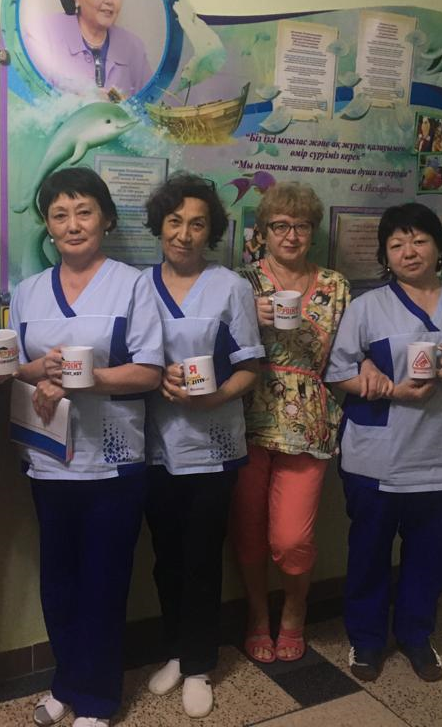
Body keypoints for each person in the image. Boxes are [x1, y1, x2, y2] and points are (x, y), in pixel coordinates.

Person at [325, 202, 442, 684]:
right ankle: (367, 640)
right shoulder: (367, 307)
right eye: (396, 244)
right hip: (378, 456)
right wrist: (385, 386)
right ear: (385, 256)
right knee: (368, 550)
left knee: (429, 553)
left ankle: (416, 635)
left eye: (419, 240)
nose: (409, 251)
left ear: (438, 247)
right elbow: (337, 372)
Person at [9, 167, 164, 727]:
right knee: (58, 581)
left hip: (113, 461)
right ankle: (65, 682)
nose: (72, 224)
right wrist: (42, 368)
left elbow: (149, 372)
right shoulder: (27, 292)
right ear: (48, 226)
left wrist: (85, 379)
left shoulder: (133, 285)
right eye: (59, 214)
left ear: (106, 219)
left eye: (84, 212)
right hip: (49, 459)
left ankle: (97, 699)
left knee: (103, 580)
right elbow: (15, 368)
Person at [139, 175, 264, 717]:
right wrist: (154, 380)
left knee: (201, 557)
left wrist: (215, 398)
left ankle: (199, 664)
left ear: (210, 231)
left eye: (197, 224)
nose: (184, 234)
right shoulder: (139, 286)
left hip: (213, 446)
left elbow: (250, 367)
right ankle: (174, 649)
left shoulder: (230, 287)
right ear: (159, 226)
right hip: (153, 445)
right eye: (174, 222)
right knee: (165, 557)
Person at [232, 182, 351, 664]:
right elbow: (217, 345)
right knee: (248, 532)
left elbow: (343, 356)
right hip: (245, 416)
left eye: (301, 226)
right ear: (262, 232)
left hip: (308, 422)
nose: (291, 235)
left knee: (291, 538)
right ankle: (258, 615)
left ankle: (295, 610)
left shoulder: (335, 285)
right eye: (280, 226)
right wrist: (248, 317)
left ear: (313, 232)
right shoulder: (241, 283)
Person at [26, 0, 151, 95]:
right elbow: (30, 96)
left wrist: (118, 102)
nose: (110, 0)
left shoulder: (133, 47)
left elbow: (149, 102)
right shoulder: (45, 34)